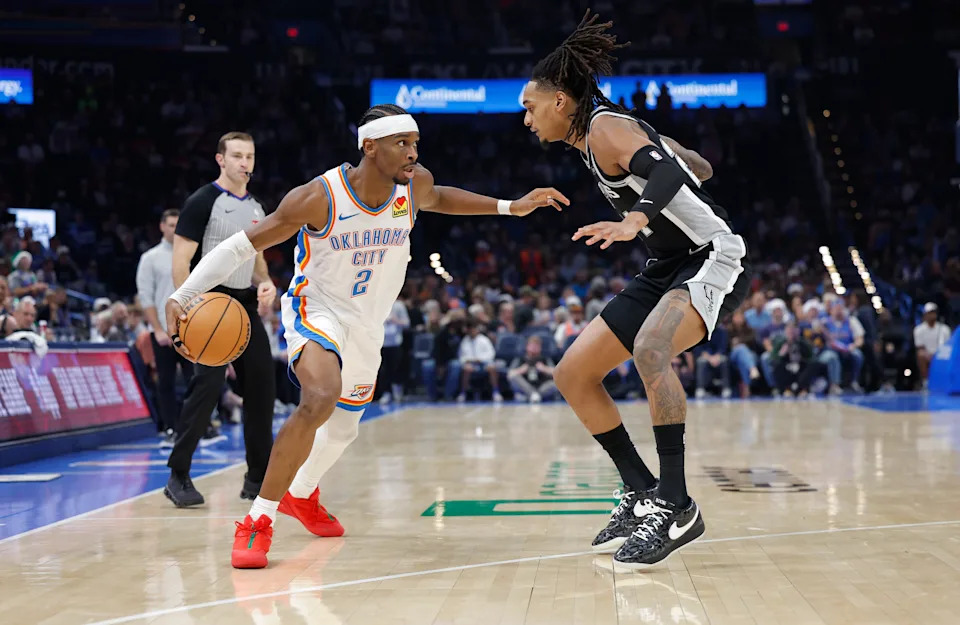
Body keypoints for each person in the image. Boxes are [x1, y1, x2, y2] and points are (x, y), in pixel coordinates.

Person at [165, 104, 568, 568]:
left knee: (343, 429)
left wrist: (510, 206)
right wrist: (184, 293)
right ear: (370, 146)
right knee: (320, 397)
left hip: (367, 324)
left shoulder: (412, 185)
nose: (413, 153)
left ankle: (301, 493)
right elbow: (241, 246)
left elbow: (439, 196)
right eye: (402, 143)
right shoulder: (319, 197)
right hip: (317, 310)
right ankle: (259, 519)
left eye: (416, 143)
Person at [520, 11, 750, 568]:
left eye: (530, 107)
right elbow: (698, 169)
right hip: (666, 264)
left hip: (710, 255)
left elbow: (667, 176)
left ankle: (676, 505)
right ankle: (642, 488)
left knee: (651, 349)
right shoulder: (604, 133)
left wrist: (635, 218)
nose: (525, 119)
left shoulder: (604, 128)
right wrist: (671, 151)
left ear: (560, 101)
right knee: (573, 374)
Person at [163, 131, 278, 508]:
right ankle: (178, 474)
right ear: (221, 160)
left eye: (250, 156)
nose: (245, 163)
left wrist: (266, 284)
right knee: (207, 387)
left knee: (262, 386)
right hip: (208, 303)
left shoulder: (258, 208)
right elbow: (181, 262)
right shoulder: (201, 202)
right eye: (237, 156)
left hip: (243, 305)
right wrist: (188, 309)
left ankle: (257, 478)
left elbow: (258, 264)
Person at [136, 209, 194, 444]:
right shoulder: (150, 258)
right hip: (162, 331)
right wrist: (159, 330)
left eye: (178, 225)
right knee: (166, 382)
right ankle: (170, 428)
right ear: (162, 227)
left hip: (190, 329)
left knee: (196, 381)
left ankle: (196, 427)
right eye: (171, 225)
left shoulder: (192, 254)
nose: (175, 229)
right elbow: (146, 297)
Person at [456, 320, 501, 402]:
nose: (472, 331)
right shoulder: (465, 341)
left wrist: (480, 359)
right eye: (470, 329)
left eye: (473, 329)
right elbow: (461, 356)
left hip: (484, 363)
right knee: (466, 369)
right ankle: (463, 393)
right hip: (471, 363)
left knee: (492, 368)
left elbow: (491, 353)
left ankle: (496, 392)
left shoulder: (484, 339)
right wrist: (467, 361)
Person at [506, 334, 557, 402]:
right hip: (526, 386)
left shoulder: (545, 359)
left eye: (537, 346)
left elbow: (556, 373)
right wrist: (521, 370)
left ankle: (532, 396)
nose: (534, 348)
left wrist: (544, 368)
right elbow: (510, 374)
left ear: (540, 347)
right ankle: (533, 395)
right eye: (532, 345)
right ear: (527, 346)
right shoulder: (520, 359)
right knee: (513, 377)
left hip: (541, 387)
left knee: (556, 383)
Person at [913, 302, 952, 387]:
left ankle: (946, 381)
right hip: (927, 354)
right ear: (925, 314)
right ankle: (926, 382)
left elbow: (947, 347)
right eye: (930, 313)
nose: (932, 315)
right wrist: (929, 355)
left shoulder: (945, 329)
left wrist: (938, 355)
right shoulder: (918, 330)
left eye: (934, 312)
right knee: (920, 354)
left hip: (941, 354)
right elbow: (920, 347)